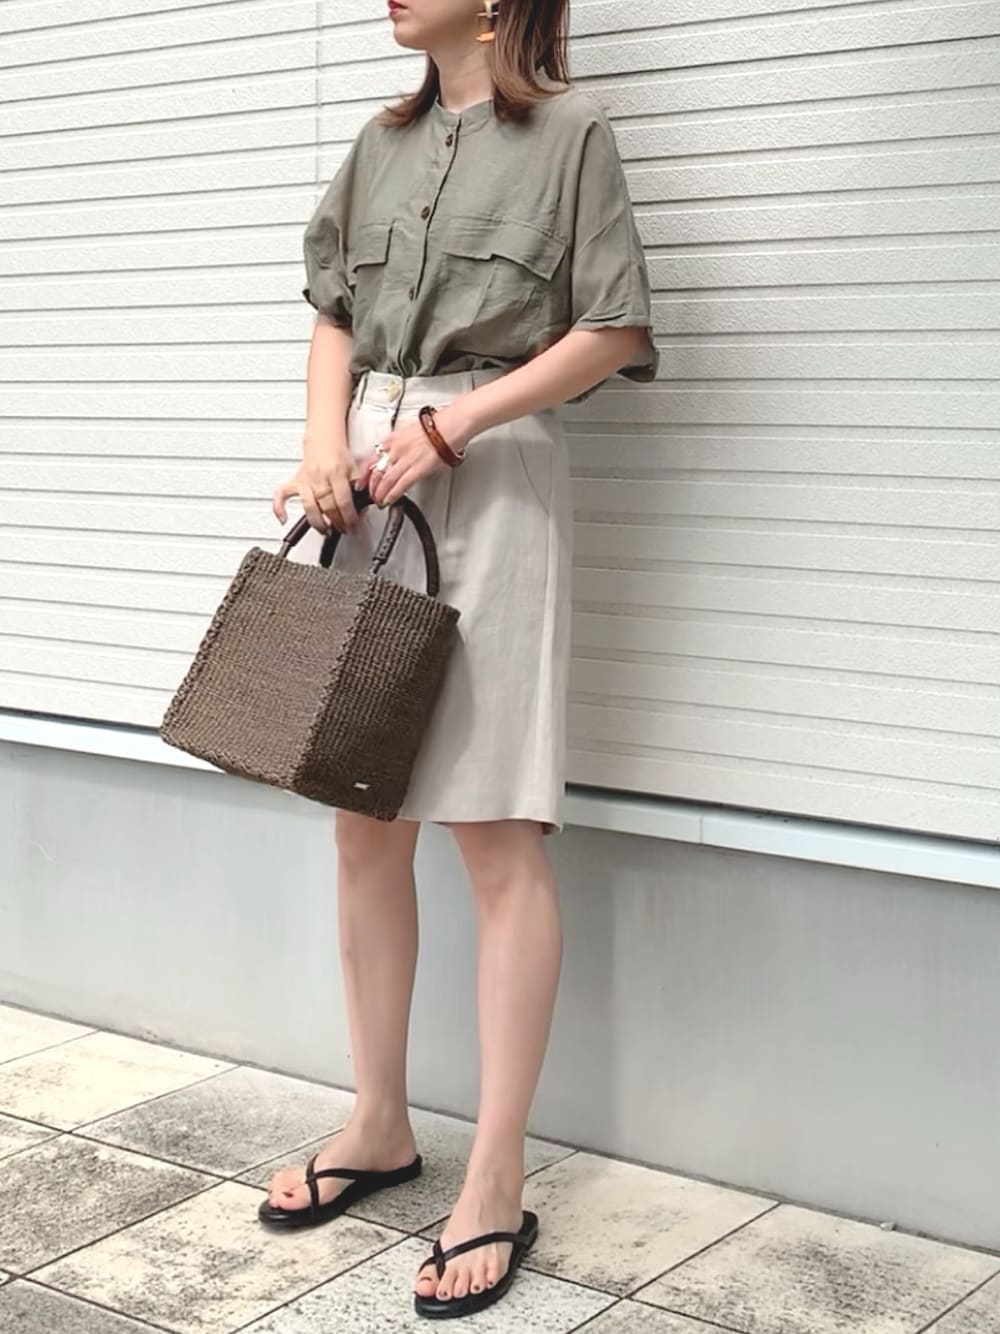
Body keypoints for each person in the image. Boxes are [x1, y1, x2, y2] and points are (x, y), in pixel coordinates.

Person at [262, 0, 658, 1320]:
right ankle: (379, 1120)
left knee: (495, 829)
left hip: (490, 478)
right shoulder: (380, 144)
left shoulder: (573, 134)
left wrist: (456, 424)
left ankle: (496, 1167)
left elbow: (611, 328)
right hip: (367, 483)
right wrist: (324, 445)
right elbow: (335, 309)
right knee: (362, 821)